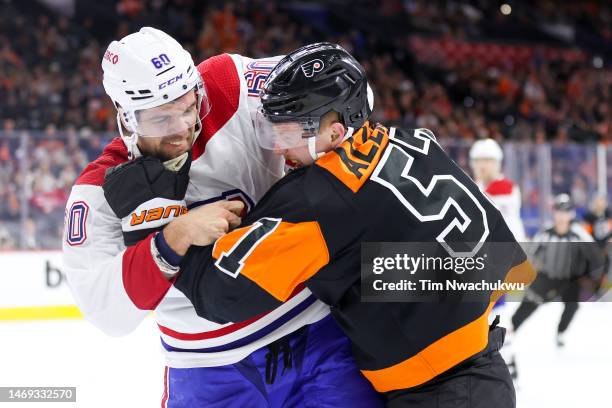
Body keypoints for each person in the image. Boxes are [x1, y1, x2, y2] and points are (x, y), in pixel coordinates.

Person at [175, 43, 536, 408]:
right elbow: (504, 260)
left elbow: (221, 295)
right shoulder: (415, 143)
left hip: (440, 394)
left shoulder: (320, 198)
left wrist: (171, 234)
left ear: (334, 132)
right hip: (485, 373)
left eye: (288, 134)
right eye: (272, 133)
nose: (279, 150)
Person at [63, 28, 381, 407]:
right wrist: (172, 240)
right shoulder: (95, 192)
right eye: (160, 119)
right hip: (208, 369)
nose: (182, 128)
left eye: (187, 106)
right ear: (126, 118)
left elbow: (343, 93)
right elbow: (106, 312)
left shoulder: (228, 84)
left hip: (316, 334)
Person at [510, 194, 605, 348]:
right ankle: (511, 329)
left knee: (572, 305)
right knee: (530, 301)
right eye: (558, 211)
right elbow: (529, 256)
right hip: (547, 276)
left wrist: (591, 279)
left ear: (571, 214)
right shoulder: (545, 233)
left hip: (570, 279)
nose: (561, 215)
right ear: (553, 213)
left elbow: (596, 258)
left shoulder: (579, 234)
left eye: (565, 211)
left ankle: (561, 332)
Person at [469, 138, 526, 242]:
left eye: (486, 160)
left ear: (497, 163)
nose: (481, 165)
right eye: (477, 161)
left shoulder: (506, 187)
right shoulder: (476, 187)